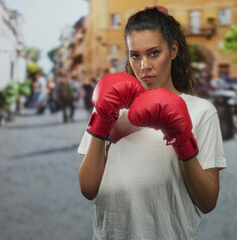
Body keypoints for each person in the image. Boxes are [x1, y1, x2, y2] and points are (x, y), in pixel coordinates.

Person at [77, 6, 226, 239]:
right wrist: (102, 121)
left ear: (173, 50)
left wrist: (183, 140)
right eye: (135, 55)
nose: (144, 66)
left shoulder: (201, 112)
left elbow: (207, 202)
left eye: (154, 53)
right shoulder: (111, 105)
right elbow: (88, 189)